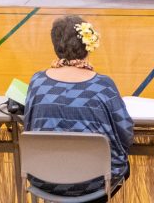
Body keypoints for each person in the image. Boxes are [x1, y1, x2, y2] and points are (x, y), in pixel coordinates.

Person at [24, 16, 133, 201]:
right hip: (94, 182)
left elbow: (28, 126)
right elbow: (126, 135)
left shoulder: (37, 82)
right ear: (87, 46)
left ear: (55, 46)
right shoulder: (103, 85)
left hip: (44, 177)